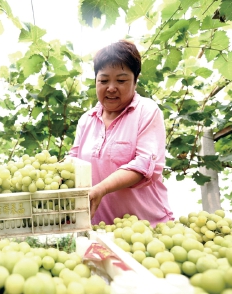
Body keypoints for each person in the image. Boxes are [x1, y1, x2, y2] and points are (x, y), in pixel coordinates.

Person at [68, 40, 173, 226]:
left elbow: (144, 165)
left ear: (135, 81)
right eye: (104, 80)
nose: (111, 88)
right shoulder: (87, 119)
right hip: (102, 230)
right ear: (95, 81)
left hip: (147, 228)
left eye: (121, 80)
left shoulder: (146, 111)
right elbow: (73, 160)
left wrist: (102, 188)